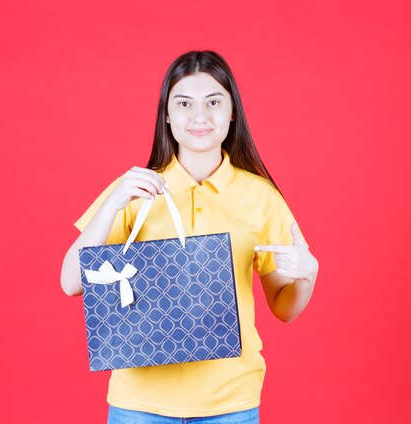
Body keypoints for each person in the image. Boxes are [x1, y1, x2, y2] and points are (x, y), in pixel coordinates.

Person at [60, 50, 319, 423]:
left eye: (213, 102)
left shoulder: (261, 197)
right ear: (167, 114)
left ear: (232, 111)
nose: (199, 116)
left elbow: (284, 308)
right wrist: (113, 204)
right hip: (140, 405)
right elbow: (71, 282)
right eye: (184, 103)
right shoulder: (134, 191)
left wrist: (308, 274)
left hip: (231, 404)